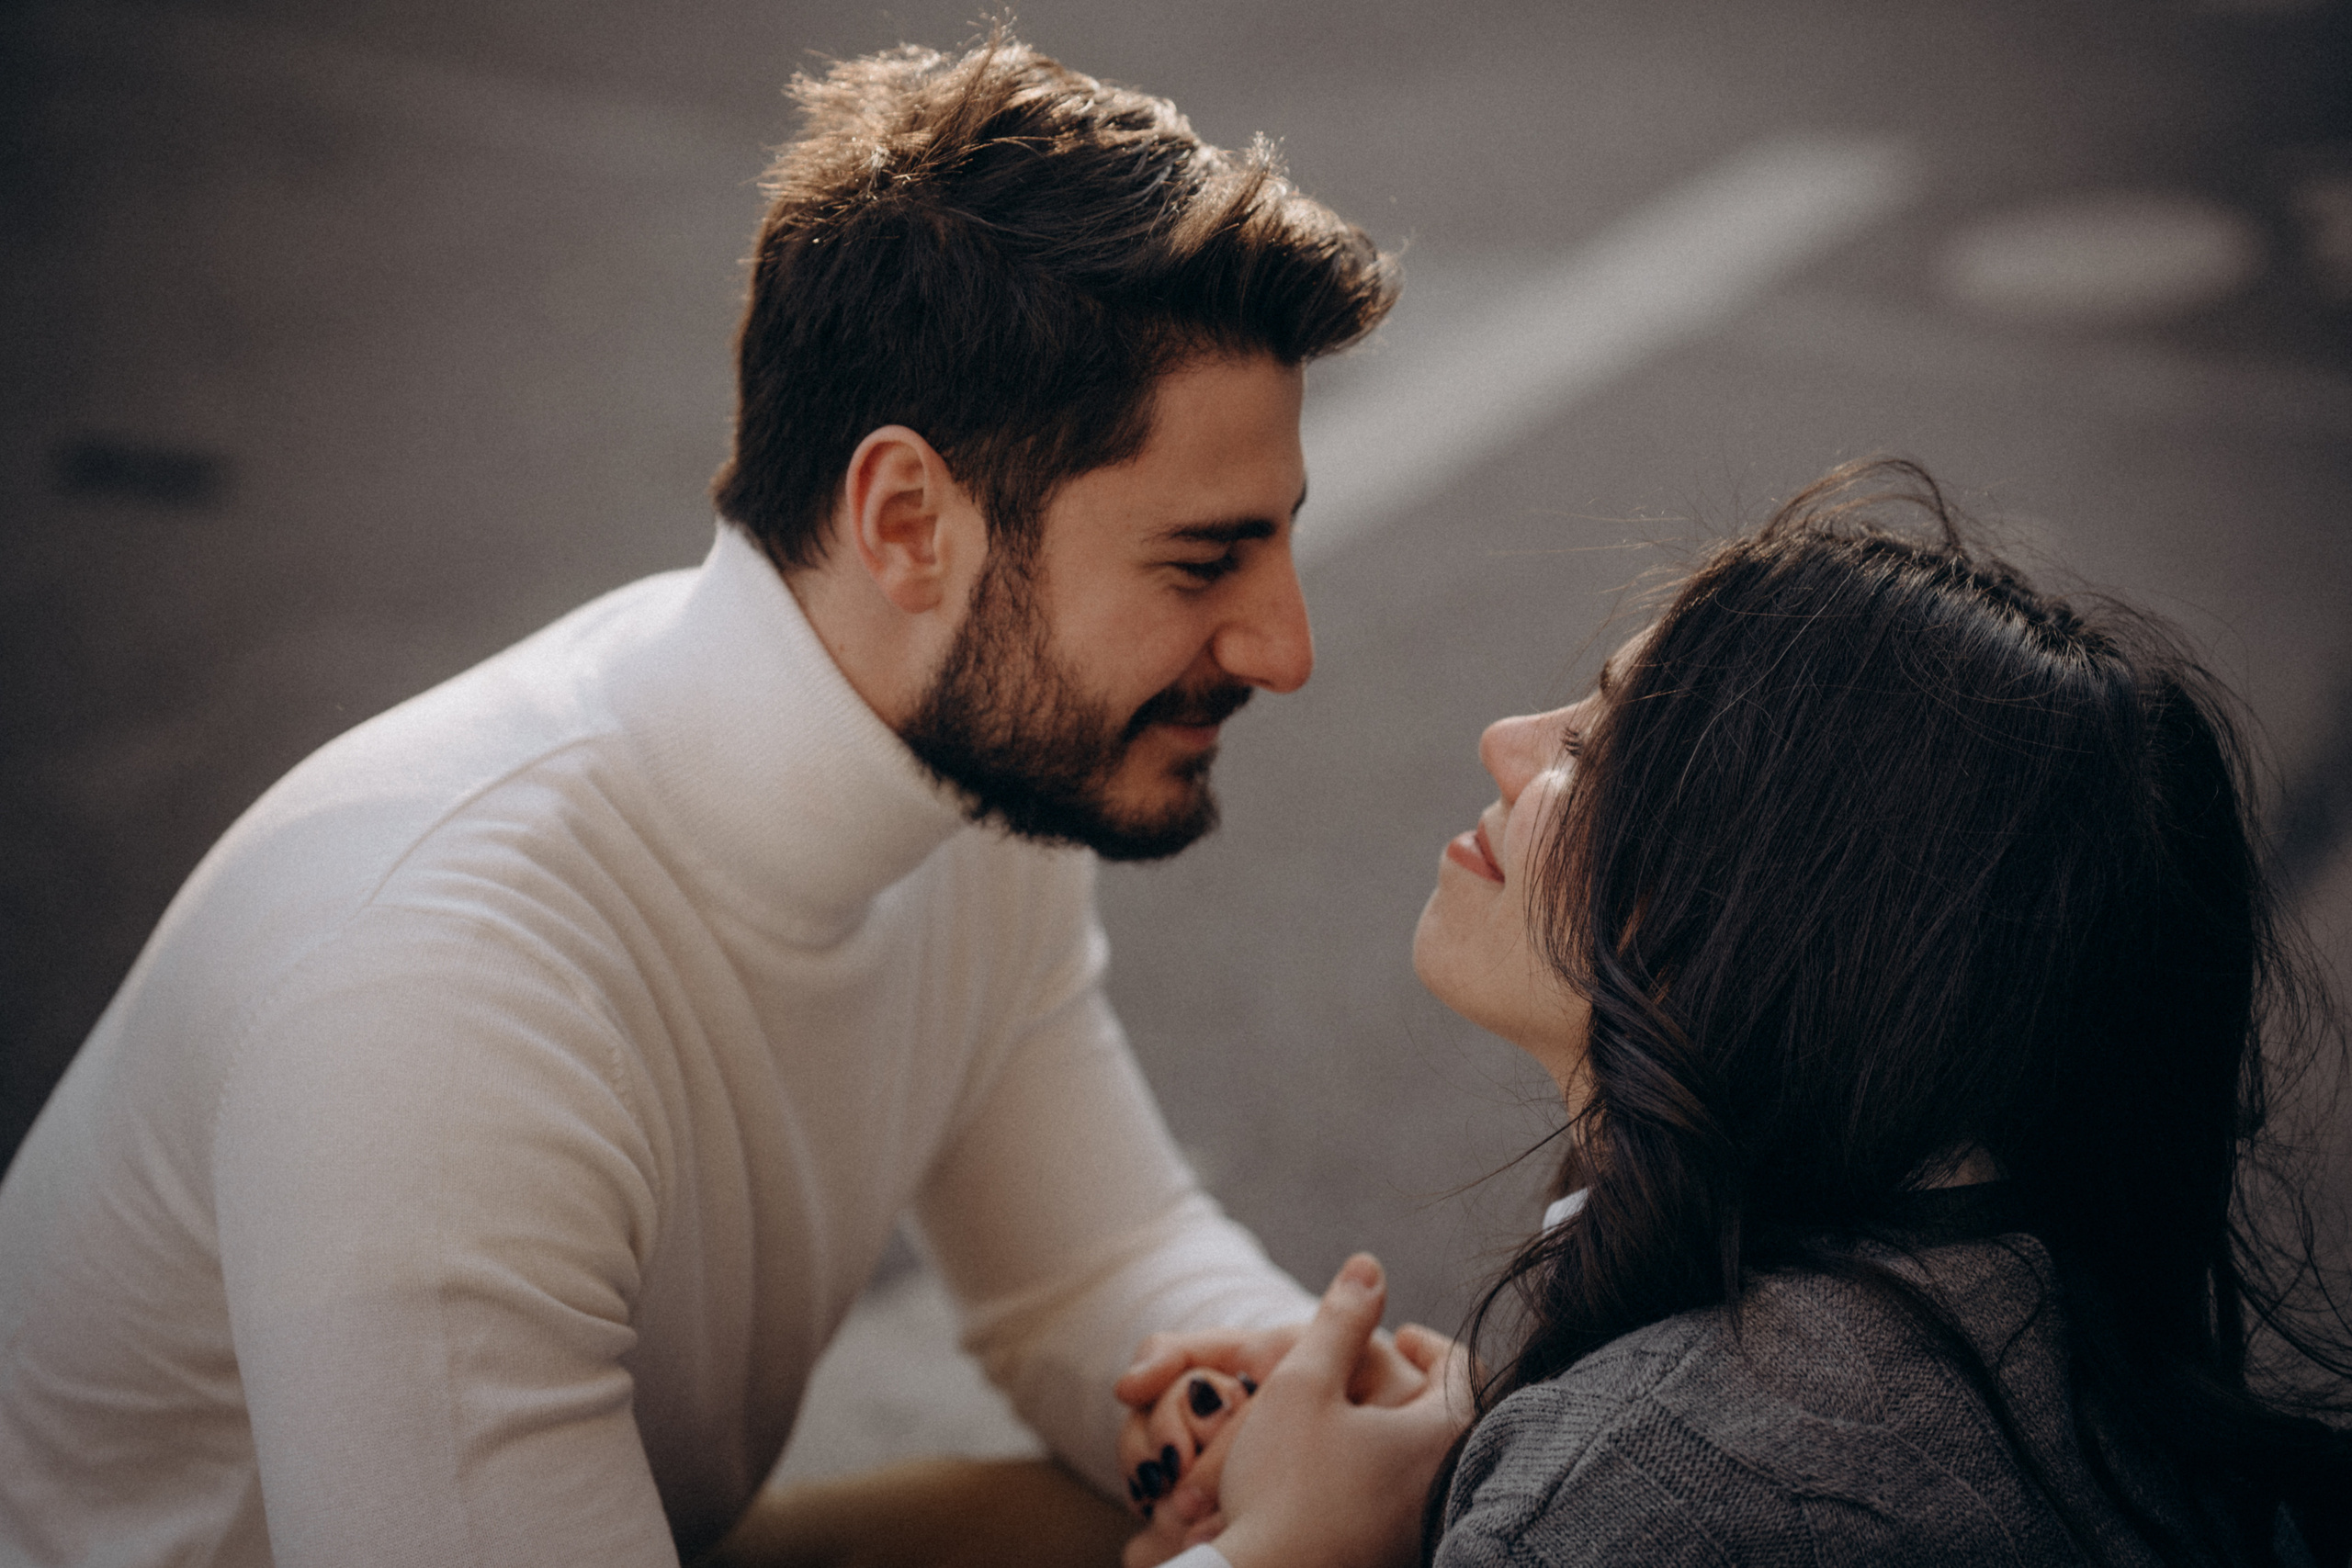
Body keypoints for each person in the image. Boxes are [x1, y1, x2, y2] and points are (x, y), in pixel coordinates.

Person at [0, 33, 1405, 1568]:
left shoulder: (966, 776)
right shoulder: (437, 995)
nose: (1287, 647)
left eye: (1278, 545)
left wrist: (1288, 1402)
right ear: (908, 523)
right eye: (1204, 561)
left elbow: (1095, 1267)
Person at [1114, 461, 2352, 1567]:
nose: (1504, 742)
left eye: (1595, 754)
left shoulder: (1632, 1499)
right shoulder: (2070, 1333)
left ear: (1773, 919)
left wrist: (1279, 1553)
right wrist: (1487, 1449)